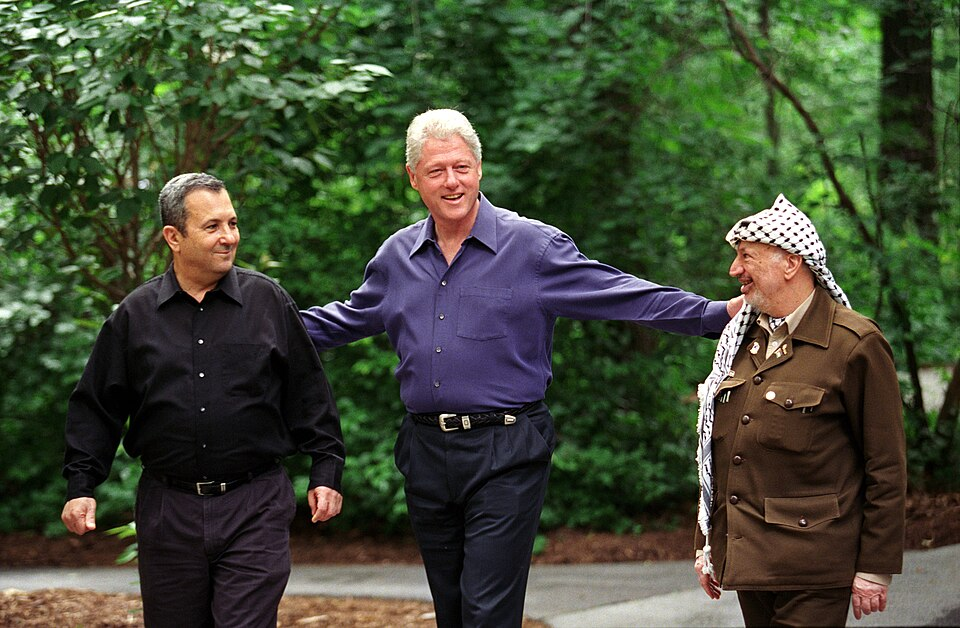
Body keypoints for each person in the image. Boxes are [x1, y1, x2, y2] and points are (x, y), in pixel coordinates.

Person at [300, 108, 741, 628]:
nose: (452, 181)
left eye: (462, 167)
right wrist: (250, 330)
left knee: (488, 612)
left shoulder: (532, 247)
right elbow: (341, 320)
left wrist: (715, 315)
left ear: (480, 169)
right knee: (453, 611)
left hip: (506, 451)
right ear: (414, 178)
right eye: (437, 170)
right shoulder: (398, 256)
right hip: (424, 453)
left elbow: (621, 295)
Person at [61, 172, 345, 627]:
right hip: (167, 511)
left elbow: (309, 394)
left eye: (232, 223)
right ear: (174, 237)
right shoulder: (135, 315)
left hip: (255, 503)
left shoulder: (268, 302)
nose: (229, 237)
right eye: (212, 226)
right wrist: (81, 485)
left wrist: (326, 470)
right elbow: (97, 406)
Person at [693, 194, 907, 626]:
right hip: (751, 561)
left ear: (790, 263)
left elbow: (886, 464)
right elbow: (719, 453)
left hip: (815, 564)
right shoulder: (741, 341)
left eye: (746, 257)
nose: (735, 270)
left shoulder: (855, 343)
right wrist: (707, 543)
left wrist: (874, 567)